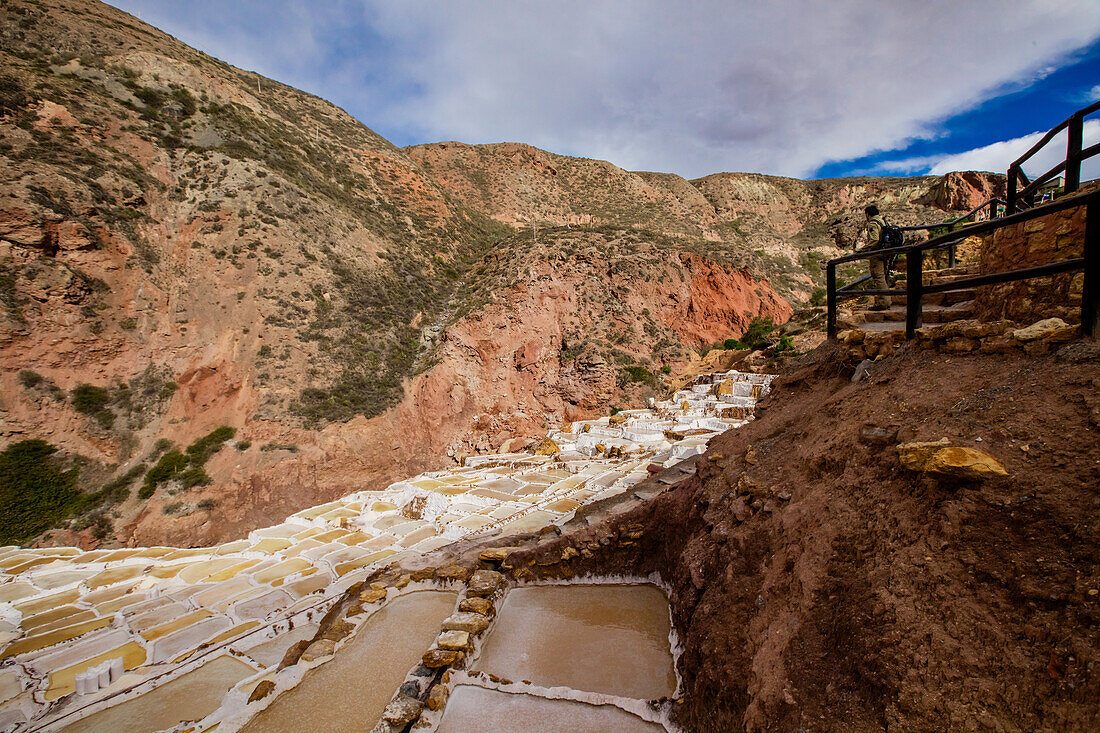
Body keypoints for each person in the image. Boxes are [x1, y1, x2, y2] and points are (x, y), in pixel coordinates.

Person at [858, 204, 891, 310]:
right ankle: (887, 301)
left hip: (877, 253)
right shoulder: (883, 221)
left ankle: (884, 303)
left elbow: (874, 239)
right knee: (884, 276)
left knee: (878, 276)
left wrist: (862, 250)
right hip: (886, 252)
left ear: (867, 214)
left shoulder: (873, 224)